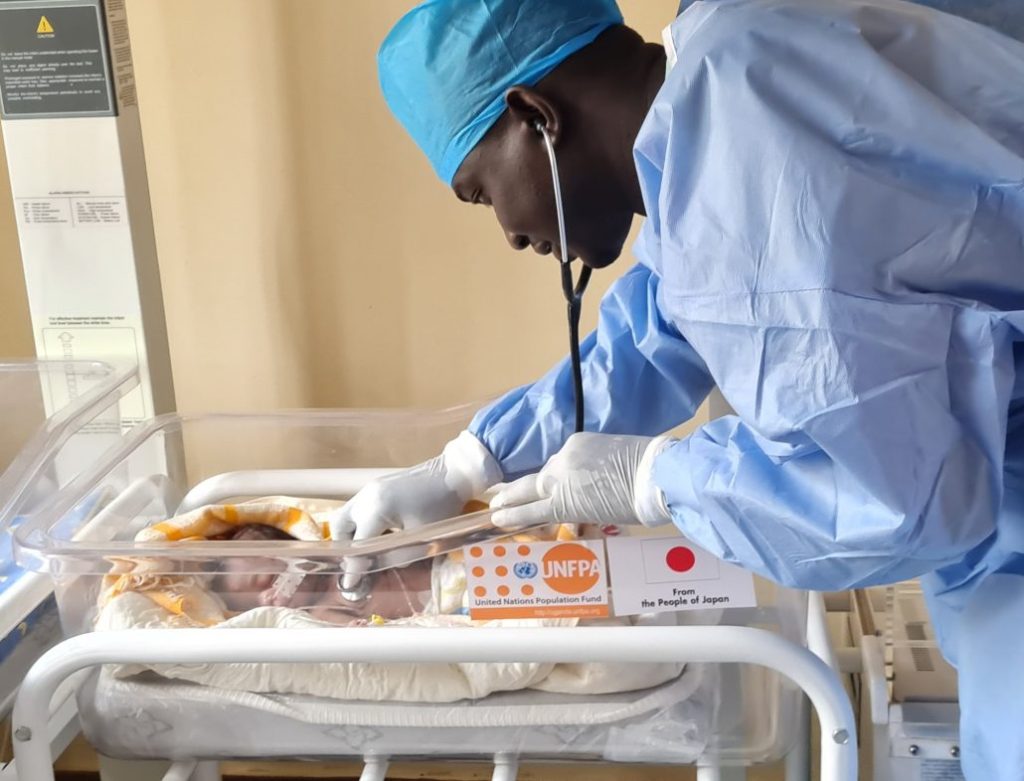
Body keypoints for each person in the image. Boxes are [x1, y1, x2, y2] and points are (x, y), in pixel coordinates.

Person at [329, 0, 1024, 777]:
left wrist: (660, 480)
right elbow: (659, 330)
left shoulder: (753, 153)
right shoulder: (722, 74)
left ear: (536, 118)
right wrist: (472, 462)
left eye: (483, 193)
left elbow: (905, 497)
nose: (513, 234)